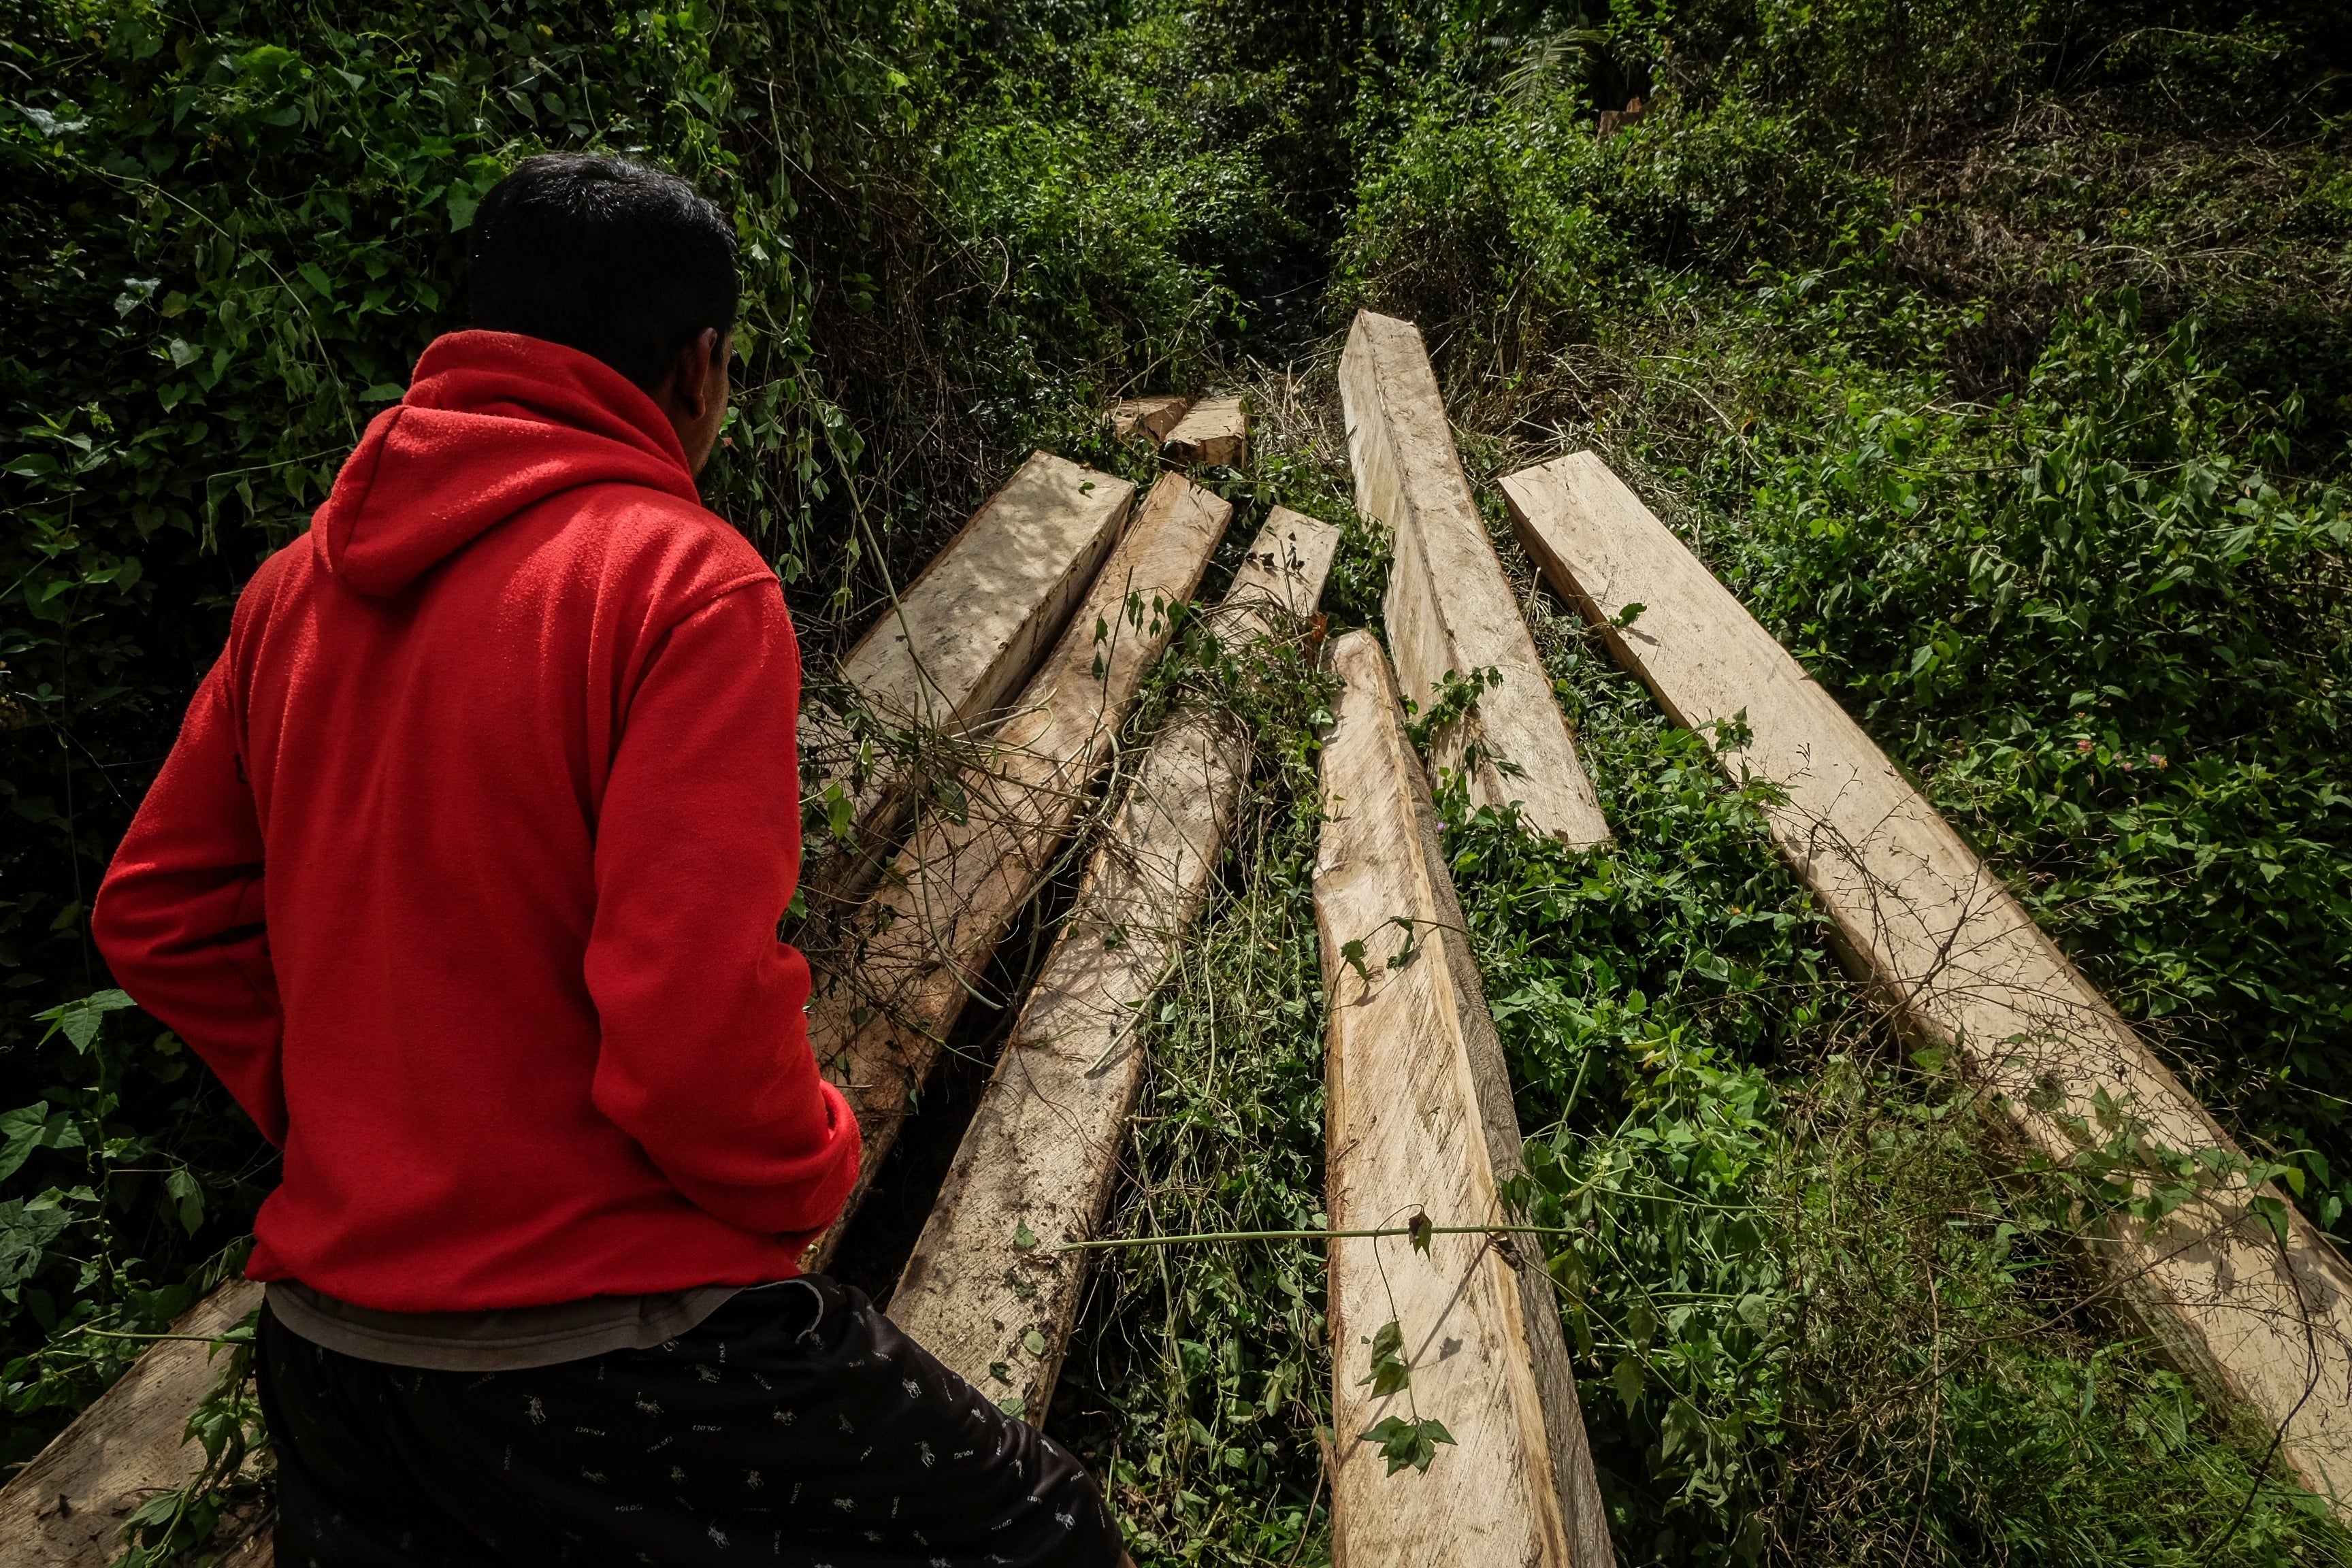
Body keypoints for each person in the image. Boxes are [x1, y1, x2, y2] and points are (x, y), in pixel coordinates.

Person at [94, 152, 1126, 1567]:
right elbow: (685, 1023)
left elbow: (156, 914)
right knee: (1046, 1528)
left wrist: (346, 1120)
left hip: (332, 1357)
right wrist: (808, 1168)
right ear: (699, 367)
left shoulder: (294, 591)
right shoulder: (683, 581)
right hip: (607, 1357)